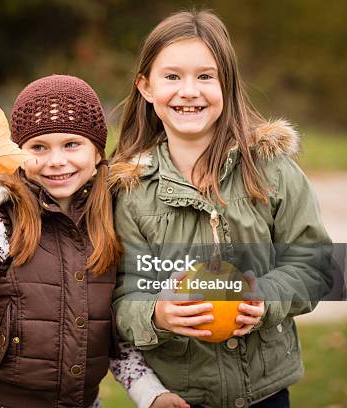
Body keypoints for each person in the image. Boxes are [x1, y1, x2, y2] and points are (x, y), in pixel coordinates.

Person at [110, 10, 333, 408]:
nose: (189, 91)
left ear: (227, 84)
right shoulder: (132, 191)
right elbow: (123, 294)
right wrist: (157, 315)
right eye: (172, 76)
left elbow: (313, 263)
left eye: (206, 76)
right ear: (145, 87)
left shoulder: (271, 169)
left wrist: (266, 297)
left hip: (265, 392)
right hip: (181, 394)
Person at [0, 75, 189, 407]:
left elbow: (111, 336)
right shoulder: (0, 223)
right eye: (39, 147)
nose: (56, 160)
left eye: (71, 144)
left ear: (97, 153)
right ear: (18, 157)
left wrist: (149, 393)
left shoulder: (109, 226)